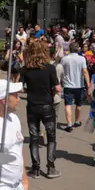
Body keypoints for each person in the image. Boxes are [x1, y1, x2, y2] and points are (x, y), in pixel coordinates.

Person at [21, 39, 61, 178]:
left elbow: (20, 88)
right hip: (47, 105)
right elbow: (57, 88)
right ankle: (51, 167)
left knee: (34, 137)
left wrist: (30, 91)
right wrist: (50, 93)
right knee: (51, 137)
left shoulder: (26, 68)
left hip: (32, 106)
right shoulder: (50, 68)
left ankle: (35, 168)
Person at [60, 42, 90, 131]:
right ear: (78, 49)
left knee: (68, 104)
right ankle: (77, 121)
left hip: (68, 85)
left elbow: (61, 70)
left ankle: (69, 124)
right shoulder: (82, 59)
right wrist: (88, 84)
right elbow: (85, 71)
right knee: (79, 104)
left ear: (70, 49)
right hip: (79, 85)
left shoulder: (64, 59)